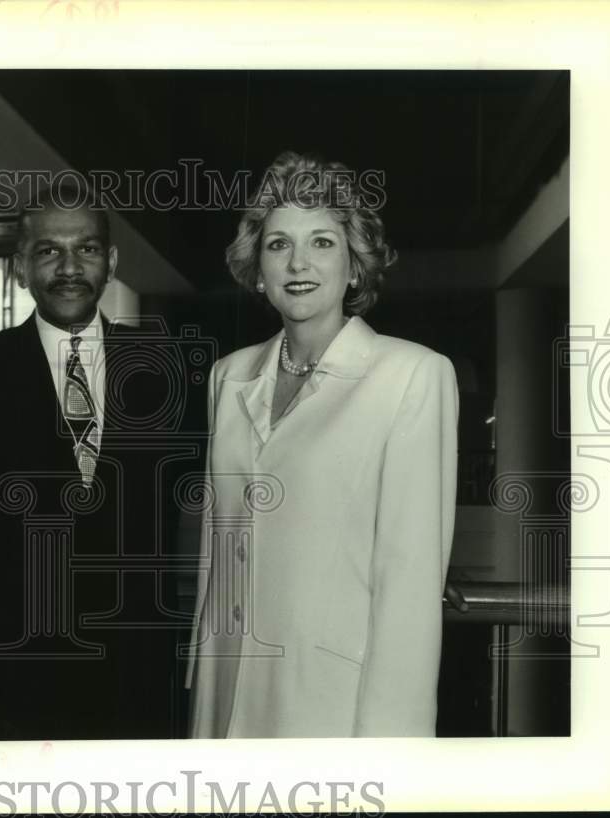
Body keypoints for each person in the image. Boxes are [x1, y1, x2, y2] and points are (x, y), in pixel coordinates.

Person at [186, 151, 459, 738]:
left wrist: (391, 751)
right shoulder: (228, 376)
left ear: (355, 266)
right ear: (257, 268)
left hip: (334, 708)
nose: (299, 262)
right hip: (225, 691)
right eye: (279, 244)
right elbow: (220, 557)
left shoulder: (411, 375)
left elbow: (409, 582)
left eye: (322, 242)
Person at [0, 183, 181, 741]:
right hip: (9, 695)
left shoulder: (169, 370)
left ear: (110, 262)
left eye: (86, 249)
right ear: (19, 267)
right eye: (47, 251)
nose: (68, 267)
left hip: (139, 694)